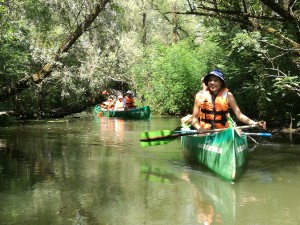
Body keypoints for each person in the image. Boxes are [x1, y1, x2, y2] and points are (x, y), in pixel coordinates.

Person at [191, 69, 266, 133]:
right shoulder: (200, 95)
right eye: (210, 80)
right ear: (207, 83)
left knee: (238, 132)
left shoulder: (228, 96)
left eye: (216, 80)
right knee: (201, 134)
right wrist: (198, 128)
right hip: (205, 131)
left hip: (223, 131)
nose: (212, 83)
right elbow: (194, 119)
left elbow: (240, 116)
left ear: (221, 83)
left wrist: (255, 123)